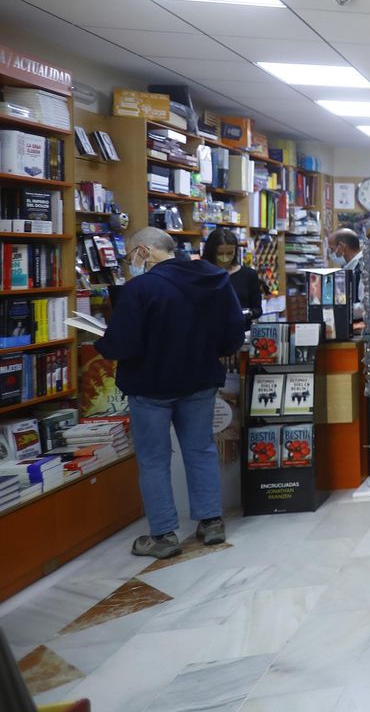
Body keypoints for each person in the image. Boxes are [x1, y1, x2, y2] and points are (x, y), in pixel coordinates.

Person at [94, 228, 247, 559]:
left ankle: (163, 535)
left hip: (151, 385)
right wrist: (212, 352)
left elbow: (123, 343)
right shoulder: (215, 279)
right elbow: (235, 330)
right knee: (201, 449)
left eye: (130, 256)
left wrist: (101, 343)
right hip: (201, 380)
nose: (130, 263)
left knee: (154, 459)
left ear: (144, 251)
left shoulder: (140, 289)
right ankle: (211, 522)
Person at [201, 228, 263, 321]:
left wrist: (247, 313)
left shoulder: (249, 274)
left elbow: (257, 310)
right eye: (220, 254)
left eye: (230, 253)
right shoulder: (201, 275)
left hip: (241, 327)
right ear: (211, 252)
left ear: (236, 251)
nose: (225, 259)